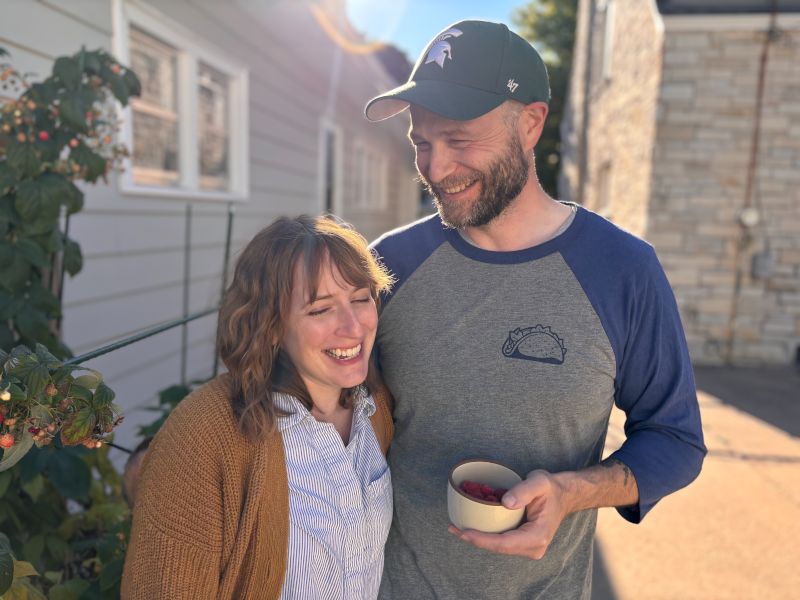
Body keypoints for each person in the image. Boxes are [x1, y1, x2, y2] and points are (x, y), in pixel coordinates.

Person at [364, 20, 706, 599]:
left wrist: (574, 491)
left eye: (460, 139)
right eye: (421, 142)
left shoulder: (622, 269)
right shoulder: (386, 266)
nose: (437, 168)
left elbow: (676, 441)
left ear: (530, 123)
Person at [121, 215, 395, 599]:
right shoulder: (206, 435)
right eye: (320, 310)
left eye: (361, 299)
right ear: (270, 326)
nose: (352, 326)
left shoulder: (376, 410)